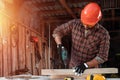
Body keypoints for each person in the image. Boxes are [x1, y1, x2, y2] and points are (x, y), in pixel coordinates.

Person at [52, 2, 110, 75]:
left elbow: (102, 57)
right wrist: (59, 45)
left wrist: (86, 65)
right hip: (73, 68)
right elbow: (57, 32)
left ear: (96, 21)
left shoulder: (103, 34)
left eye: (89, 25)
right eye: (84, 23)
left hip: (91, 70)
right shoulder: (74, 24)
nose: (85, 26)